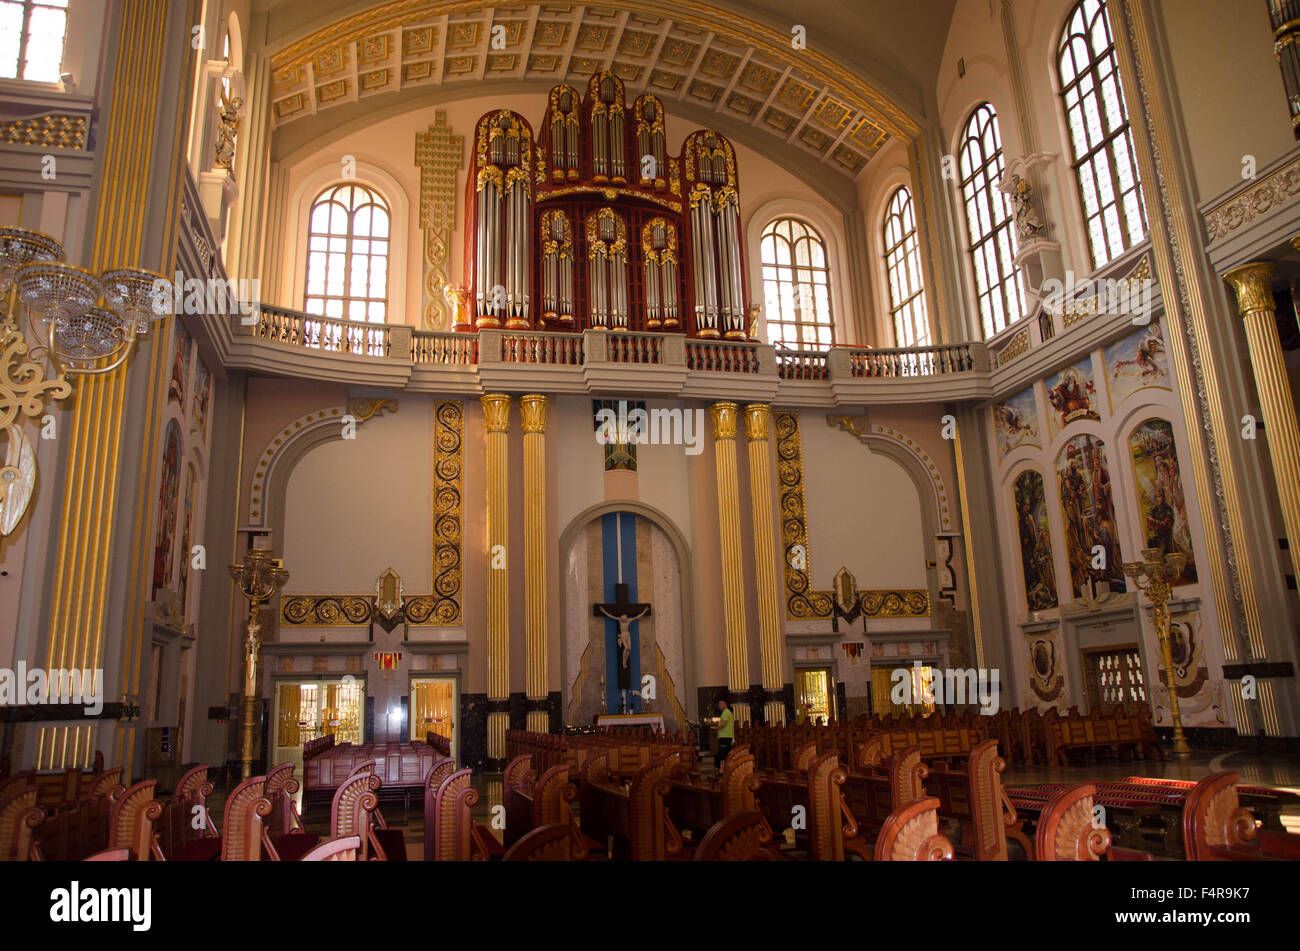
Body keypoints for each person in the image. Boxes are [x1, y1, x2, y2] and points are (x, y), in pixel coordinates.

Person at [714, 698, 734, 771]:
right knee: (724, 753)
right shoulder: (726, 712)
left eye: (721, 703)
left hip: (725, 736)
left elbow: (724, 724)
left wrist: (716, 727)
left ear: (725, 704)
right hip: (726, 736)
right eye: (719, 704)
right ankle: (723, 769)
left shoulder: (726, 712)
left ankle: (722, 769)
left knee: (723, 754)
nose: (719, 705)